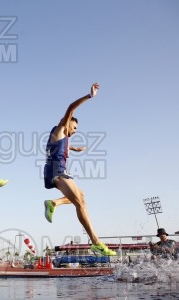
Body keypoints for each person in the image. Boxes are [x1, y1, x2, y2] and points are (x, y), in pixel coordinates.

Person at [43, 83, 116, 256]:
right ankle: (96, 242)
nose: (75, 131)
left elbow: (60, 148)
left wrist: (75, 149)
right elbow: (71, 108)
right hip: (57, 171)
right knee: (80, 203)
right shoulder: (61, 128)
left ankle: (54, 203)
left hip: (56, 170)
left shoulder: (62, 138)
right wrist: (89, 96)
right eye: (74, 127)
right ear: (67, 124)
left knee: (81, 196)